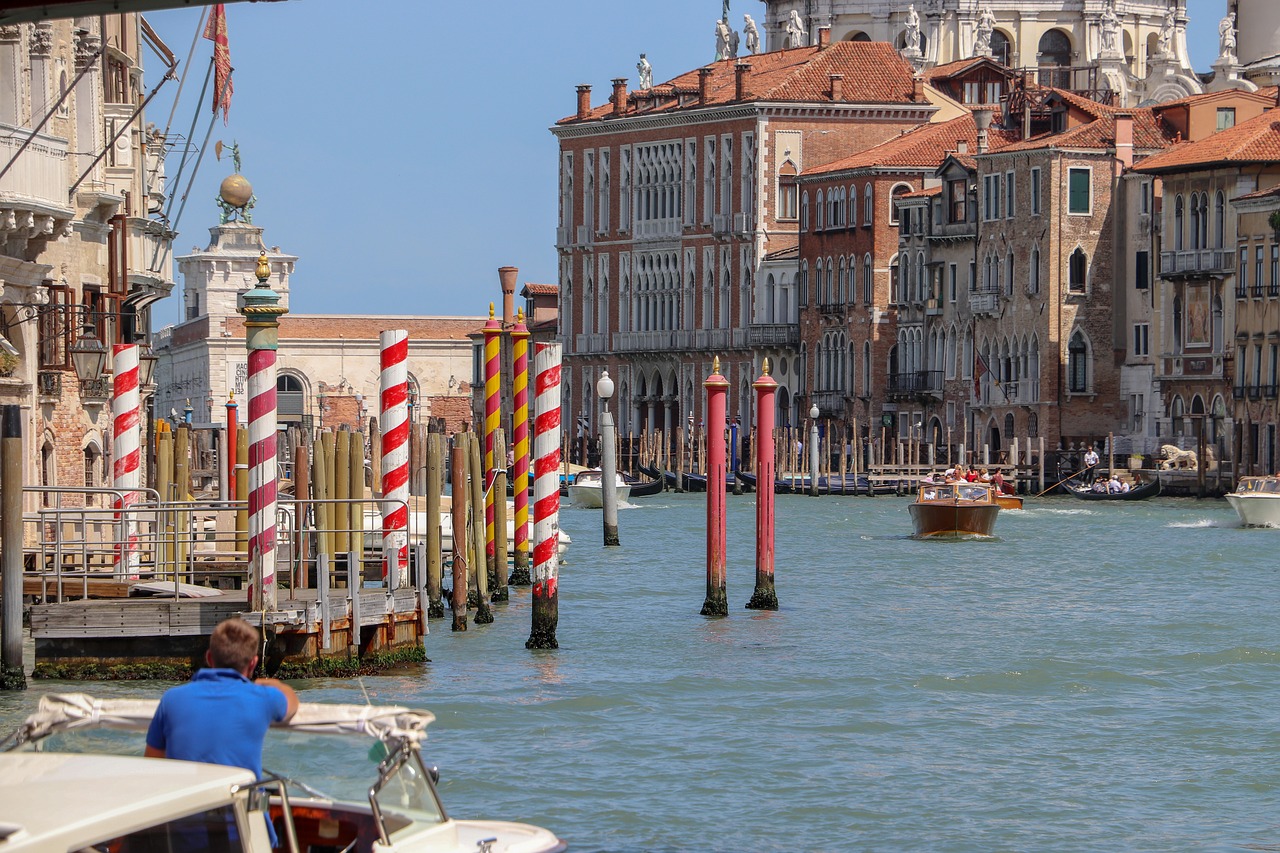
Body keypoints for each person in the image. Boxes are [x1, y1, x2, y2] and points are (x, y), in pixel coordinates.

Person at [146, 618, 298, 780]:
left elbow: (152, 764)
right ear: (253, 664)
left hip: (190, 803)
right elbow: (291, 701)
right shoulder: (262, 697)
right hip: (240, 802)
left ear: (209, 658)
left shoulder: (172, 699)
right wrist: (274, 684)